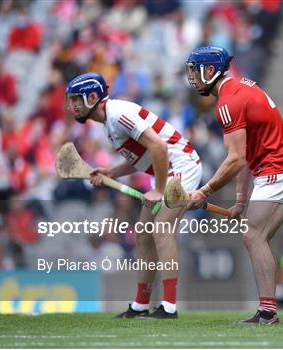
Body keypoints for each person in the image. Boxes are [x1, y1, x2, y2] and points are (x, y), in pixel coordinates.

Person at [65, 72, 202, 319]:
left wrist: (159, 190)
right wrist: (112, 172)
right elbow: (143, 157)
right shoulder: (108, 121)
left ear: (93, 97)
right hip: (163, 169)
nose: (72, 105)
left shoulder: (118, 113)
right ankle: (140, 304)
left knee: (161, 230)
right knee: (143, 236)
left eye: (77, 99)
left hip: (180, 165)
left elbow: (159, 146)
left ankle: (169, 306)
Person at [185, 46, 283, 325]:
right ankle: (267, 311)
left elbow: (236, 159)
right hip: (277, 166)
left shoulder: (228, 101)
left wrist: (204, 191)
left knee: (253, 235)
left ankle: (267, 312)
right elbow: (246, 150)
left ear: (210, 71)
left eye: (195, 70)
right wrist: (240, 198)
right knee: (255, 236)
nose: (192, 77)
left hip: (278, 166)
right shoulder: (239, 87)